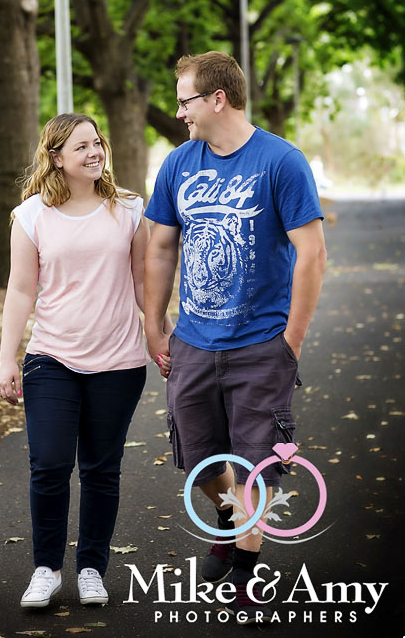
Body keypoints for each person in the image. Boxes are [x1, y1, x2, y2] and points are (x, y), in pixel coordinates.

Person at [144, 52, 326, 625]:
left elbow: (311, 253)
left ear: (217, 99)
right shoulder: (178, 163)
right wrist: (154, 321)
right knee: (199, 459)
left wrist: (291, 339)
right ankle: (230, 517)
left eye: (185, 101)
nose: (179, 113)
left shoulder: (281, 162)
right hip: (194, 341)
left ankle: (246, 573)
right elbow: (161, 247)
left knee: (254, 464)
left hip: (261, 344)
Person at [0, 113, 165, 611]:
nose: (94, 153)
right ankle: (46, 570)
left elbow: (143, 282)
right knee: (49, 465)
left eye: (97, 143)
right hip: (52, 357)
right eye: (81, 147)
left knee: (101, 469)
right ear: (56, 158)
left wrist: (160, 336)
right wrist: (7, 359)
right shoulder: (31, 216)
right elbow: (21, 290)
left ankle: (92, 568)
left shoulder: (129, 208)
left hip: (118, 360)